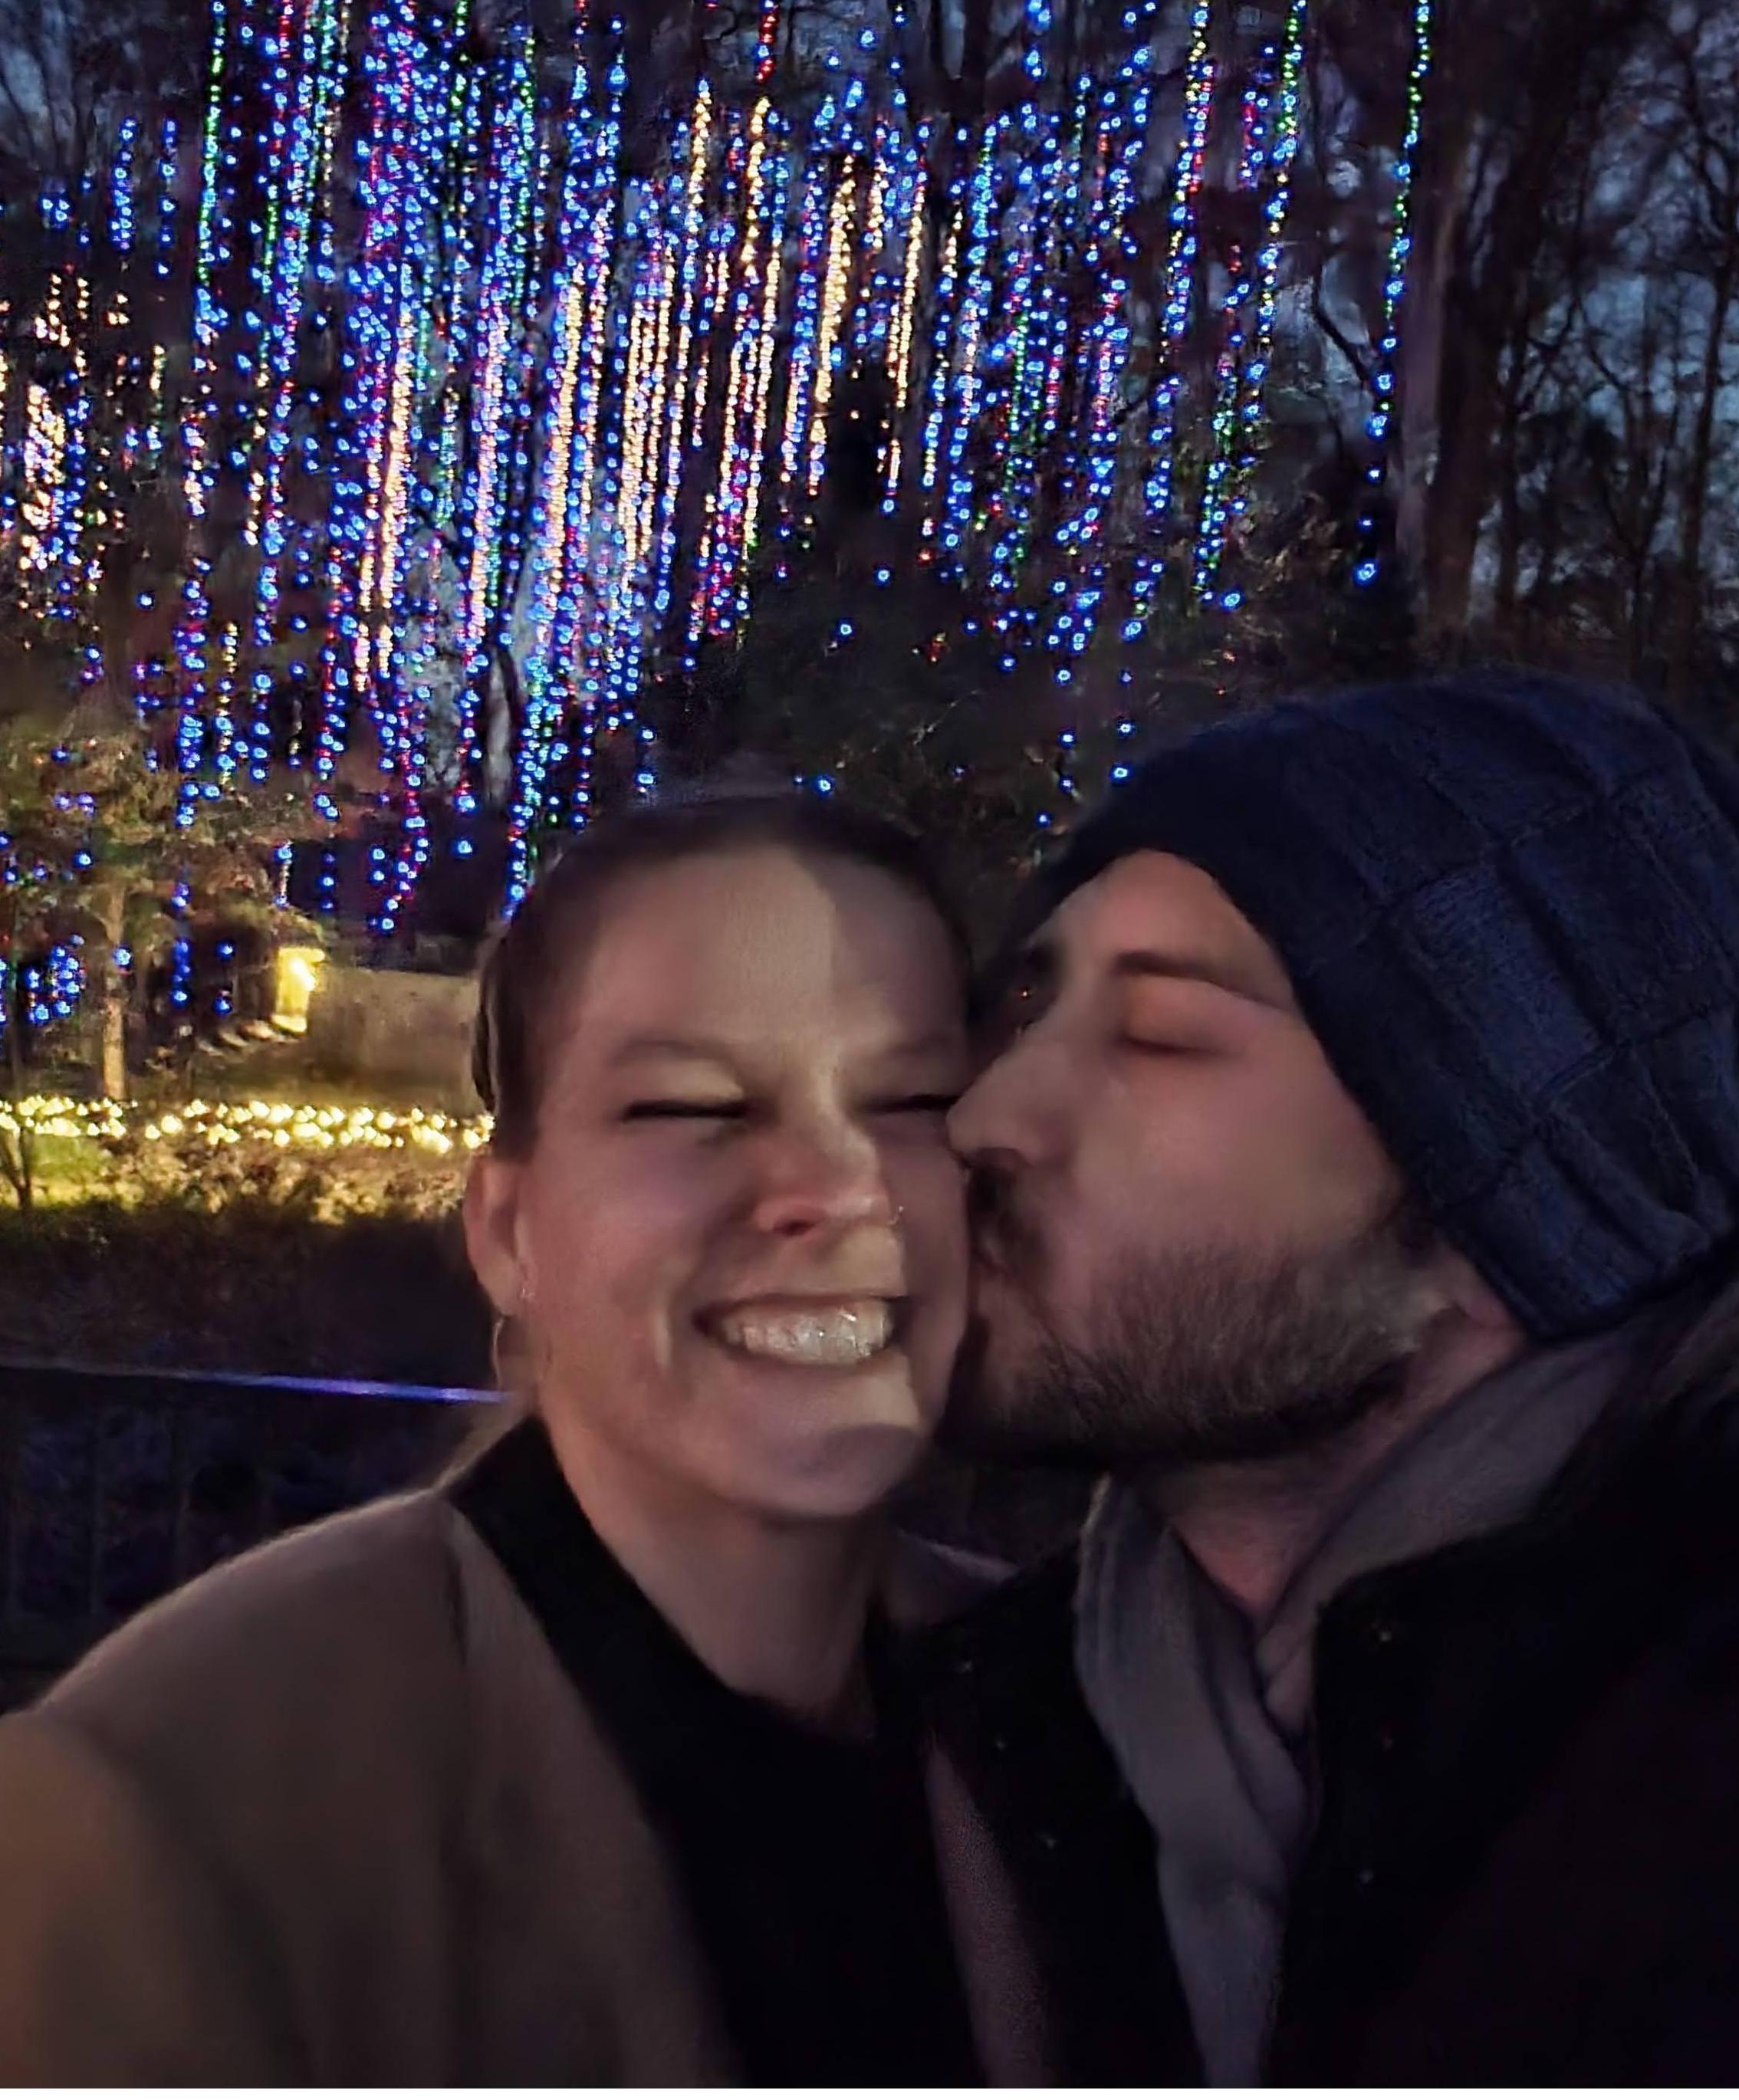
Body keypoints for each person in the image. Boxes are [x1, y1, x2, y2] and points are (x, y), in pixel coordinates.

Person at [919, 668, 1739, 2084]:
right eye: (1027, 1010)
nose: (985, 1114)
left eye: (1163, 1036)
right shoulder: (981, 1725)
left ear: (1494, 1215)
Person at [0, 790, 1031, 2082]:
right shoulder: (174, 1814)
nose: (835, 1185)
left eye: (913, 1098)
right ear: (506, 1231)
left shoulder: (1077, 1710)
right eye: (689, 1108)